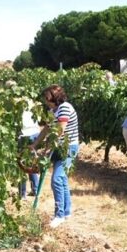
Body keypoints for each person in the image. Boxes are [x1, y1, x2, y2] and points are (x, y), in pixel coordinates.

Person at [32, 85, 79, 228]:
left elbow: (59, 131)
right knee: (62, 179)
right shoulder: (53, 110)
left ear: (54, 97)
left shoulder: (64, 108)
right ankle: (66, 211)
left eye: (47, 97)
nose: (45, 100)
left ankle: (59, 215)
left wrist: (48, 149)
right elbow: (47, 129)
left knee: (57, 179)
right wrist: (35, 144)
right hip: (58, 147)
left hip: (67, 148)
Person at [19, 99, 41, 199]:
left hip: (24, 134)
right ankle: (35, 190)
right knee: (32, 162)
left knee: (21, 163)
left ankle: (22, 194)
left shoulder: (15, 102)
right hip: (35, 133)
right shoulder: (31, 101)